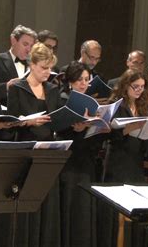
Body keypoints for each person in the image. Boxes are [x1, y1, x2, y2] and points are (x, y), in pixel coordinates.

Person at [0, 42, 61, 247]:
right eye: (44, 68)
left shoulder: (53, 89)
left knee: (44, 201)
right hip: (25, 148)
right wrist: (27, 121)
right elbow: (10, 123)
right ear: (32, 64)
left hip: (47, 149)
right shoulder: (18, 88)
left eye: (50, 68)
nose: (48, 72)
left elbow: (56, 118)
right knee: (23, 200)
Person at [99, 69, 148, 247]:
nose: (139, 90)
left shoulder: (142, 105)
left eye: (142, 87)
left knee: (134, 206)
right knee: (116, 208)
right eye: (135, 86)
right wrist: (131, 127)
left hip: (135, 159)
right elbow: (110, 136)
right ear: (125, 85)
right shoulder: (117, 104)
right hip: (118, 159)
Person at [56, 61, 105, 247]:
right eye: (79, 80)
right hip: (69, 163)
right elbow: (59, 132)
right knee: (71, 206)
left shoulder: (92, 103)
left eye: (86, 80)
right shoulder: (63, 99)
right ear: (70, 81)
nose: (83, 84)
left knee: (84, 209)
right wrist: (76, 130)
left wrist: (100, 126)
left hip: (86, 162)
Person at [0, 25, 37, 105]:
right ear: (13, 40)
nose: (29, 50)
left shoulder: (32, 65)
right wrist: (7, 86)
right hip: (4, 114)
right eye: (25, 44)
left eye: (31, 46)